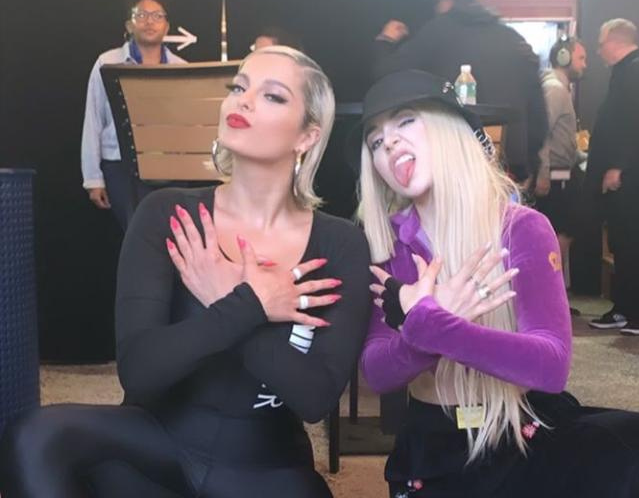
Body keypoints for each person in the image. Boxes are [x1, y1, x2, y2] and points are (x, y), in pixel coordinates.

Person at [0, 46, 371, 497]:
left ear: (307, 136)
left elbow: (314, 397)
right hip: (156, 448)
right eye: (238, 87)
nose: (243, 100)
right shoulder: (168, 213)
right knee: (37, 438)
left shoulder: (339, 243)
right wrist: (246, 307)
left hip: (264, 464)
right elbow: (139, 371)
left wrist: (228, 298)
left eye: (272, 96)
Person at [347, 69, 639, 497]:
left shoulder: (522, 228)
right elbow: (378, 371)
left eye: (406, 121)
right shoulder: (387, 246)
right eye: (376, 141)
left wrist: (434, 324)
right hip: (436, 446)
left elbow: (550, 365)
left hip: (520, 427)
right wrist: (431, 326)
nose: (389, 143)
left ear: (451, 129)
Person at [371, 0, 548, 182]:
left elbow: (386, 78)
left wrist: (386, 41)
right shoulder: (514, 39)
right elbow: (539, 117)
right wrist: (530, 165)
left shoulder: (437, 32)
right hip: (511, 172)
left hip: (458, 169)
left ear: (445, 0)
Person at [586, 19, 639, 335]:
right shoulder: (627, 71)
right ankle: (623, 307)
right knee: (623, 243)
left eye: (601, 44)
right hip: (630, 176)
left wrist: (618, 166)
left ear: (615, 41)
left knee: (636, 243)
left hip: (638, 178)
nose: (598, 51)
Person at [80, 0, 186, 230]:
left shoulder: (181, 67)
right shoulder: (108, 63)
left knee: (166, 234)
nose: (149, 21)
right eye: (141, 15)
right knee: (135, 232)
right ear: (129, 25)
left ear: (166, 26)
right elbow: (93, 119)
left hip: (167, 167)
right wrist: (93, 178)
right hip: (119, 165)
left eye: (157, 16)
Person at [534, 36, 587, 290]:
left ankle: (556, 292)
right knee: (559, 234)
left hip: (563, 172)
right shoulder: (554, 89)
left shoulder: (559, 88)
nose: (584, 65)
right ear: (563, 58)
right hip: (555, 174)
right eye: (581, 58)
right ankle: (552, 292)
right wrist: (543, 173)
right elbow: (541, 134)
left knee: (566, 231)